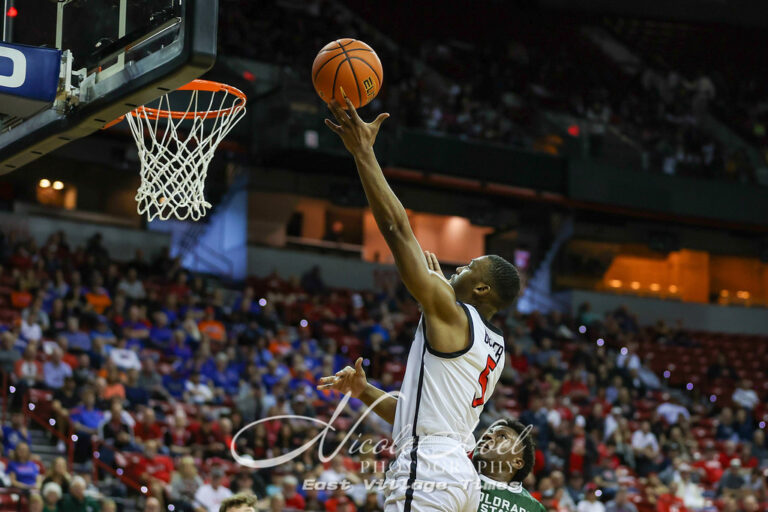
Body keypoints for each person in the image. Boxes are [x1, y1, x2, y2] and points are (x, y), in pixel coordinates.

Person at [324, 94, 519, 511]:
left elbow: (396, 228)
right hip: (458, 474)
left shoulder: (452, 313)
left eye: (469, 266)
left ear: (482, 290)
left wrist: (363, 153)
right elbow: (420, 415)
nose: (457, 269)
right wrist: (363, 392)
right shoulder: (495, 347)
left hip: (428, 468)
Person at [318, 361, 545, 512]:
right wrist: (364, 391)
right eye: (489, 433)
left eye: (502, 436)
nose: (488, 437)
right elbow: (413, 419)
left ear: (518, 461)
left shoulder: (533, 507)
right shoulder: (456, 459)